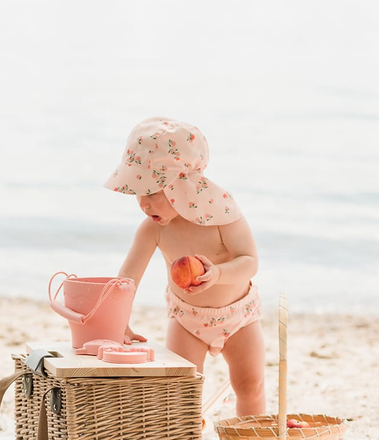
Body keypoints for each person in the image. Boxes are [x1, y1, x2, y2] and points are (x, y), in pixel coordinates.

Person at [105, 117, 265, 417]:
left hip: (239, 317)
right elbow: (128, 278)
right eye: (139, 192)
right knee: (179, 393)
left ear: (184, 186)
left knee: (251, 386)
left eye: (152, 192)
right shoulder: (153, 230)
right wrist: (118, 323)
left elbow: (249, 262)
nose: (144, 203)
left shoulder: (224, 215)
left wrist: (217, 274)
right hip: (187, 320)